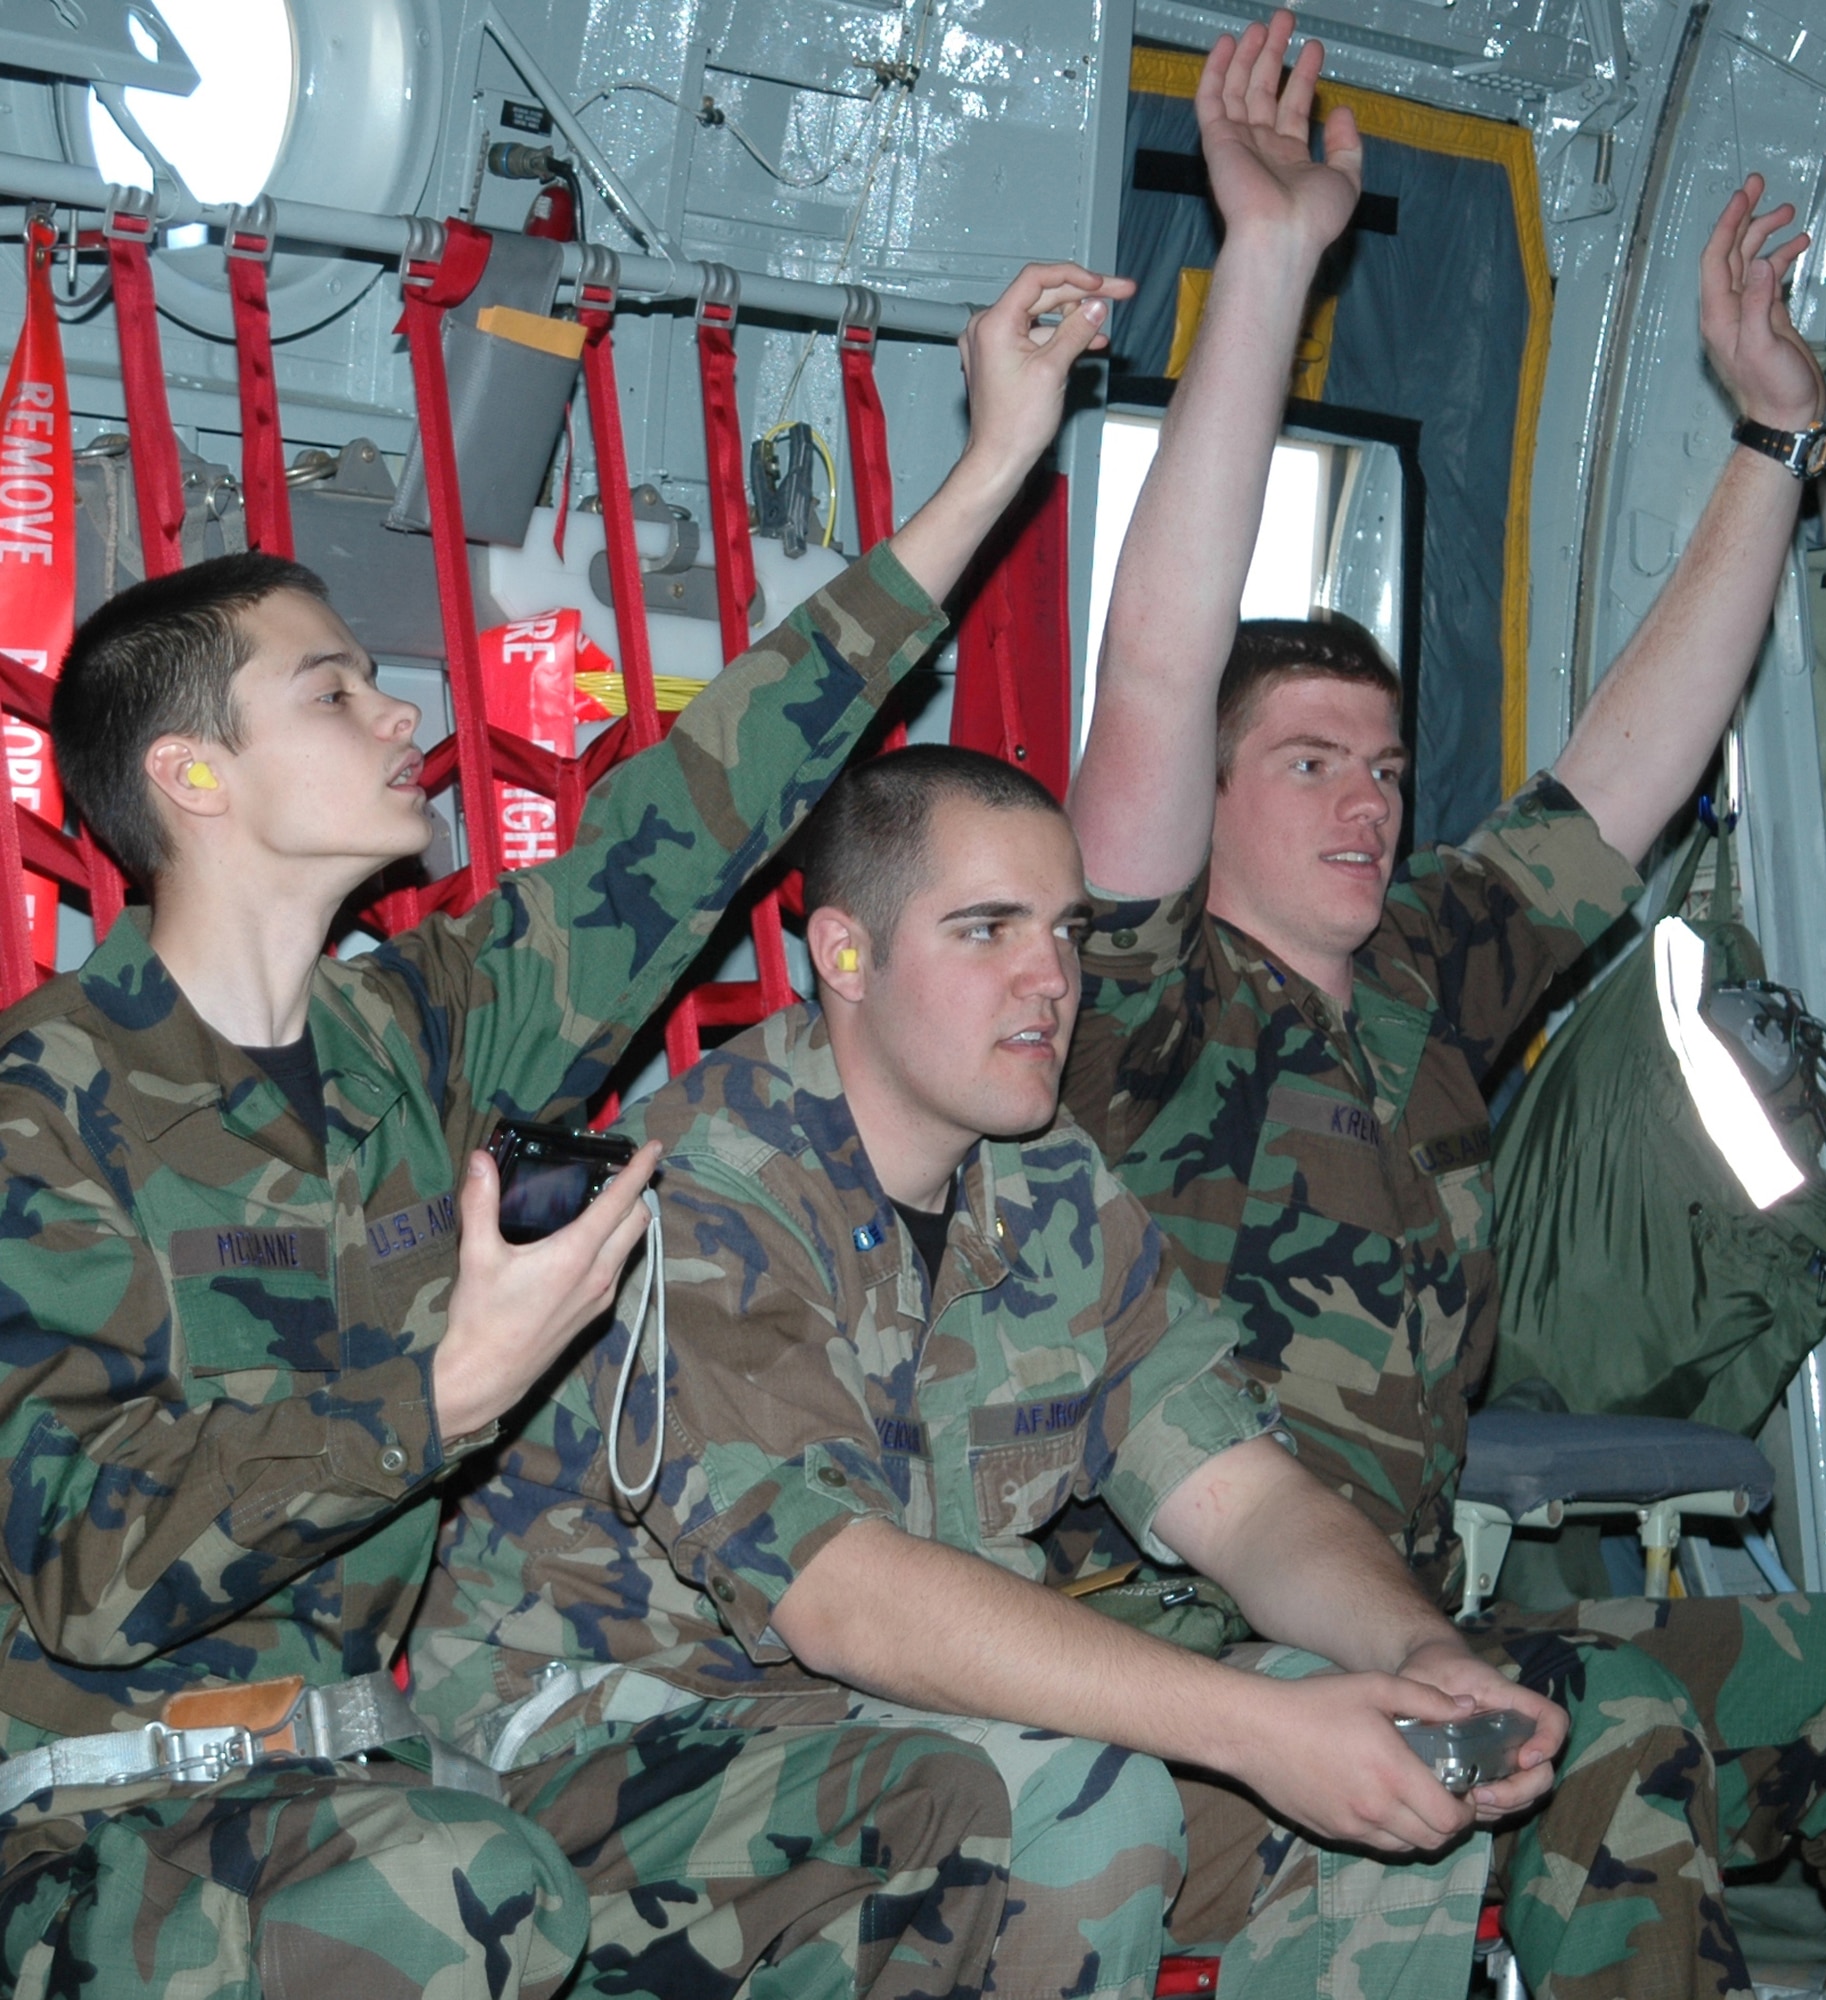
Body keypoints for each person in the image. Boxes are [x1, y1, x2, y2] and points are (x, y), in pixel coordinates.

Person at [0, 260, 1125, 2000]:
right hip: (103, 1838)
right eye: (332, 692)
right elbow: (79, 1560)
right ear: (190, 775)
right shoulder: (40, 1107)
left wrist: (991, 463)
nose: (408, 720)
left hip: (381, 1788)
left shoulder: (419, 1037)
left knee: (917, 1810)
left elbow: (704, 805)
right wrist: (436, 1392)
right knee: (461, 1885)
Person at [1062, 14, 1826, 1999]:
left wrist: (1773, 441)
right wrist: (1264, 259)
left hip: (1429, 1612)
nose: (1365, 790)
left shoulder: (1420, 966)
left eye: (1381, 759)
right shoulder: (1141, 1004)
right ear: (1208, 807)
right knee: (1623, 1761)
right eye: (1308, 761)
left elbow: (1626, 770)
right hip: (1201, 1659)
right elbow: (1156, 671)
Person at [410, 743, 1568, 2000]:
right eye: (986, 929)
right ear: (844, 955)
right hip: (609, 1771)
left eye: (1066, 931)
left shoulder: (1045, 1174)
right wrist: (1257, 1730)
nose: (1051, 979)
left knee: (1394, 1752)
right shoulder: (707, 1192)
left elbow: (1244, 1497)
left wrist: (1414, 1651)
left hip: (891, 1735)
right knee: (1078, 1795)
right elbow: (846, 1600)